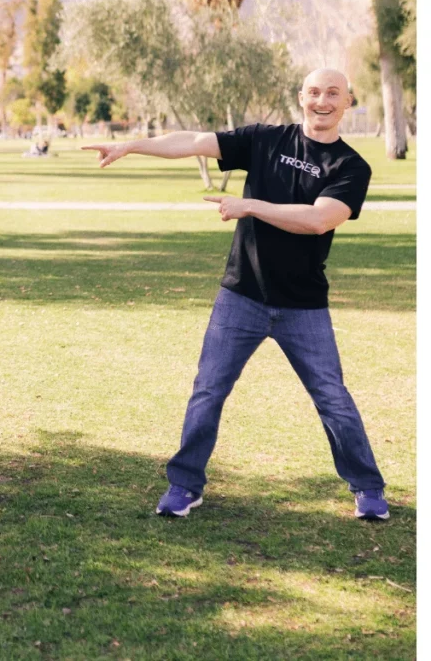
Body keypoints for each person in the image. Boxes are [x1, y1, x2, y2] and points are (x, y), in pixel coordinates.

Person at [83, 68, 389, 521]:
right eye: (313, 92)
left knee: (332, 398)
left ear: (348, 103)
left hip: (302, 304)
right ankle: (184, 485)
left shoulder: (350, 166)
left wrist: (249, 206)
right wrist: (132, 145)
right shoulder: (265, 140)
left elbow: (318, 219)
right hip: (241, 295)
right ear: (301, 97)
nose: (322, 101)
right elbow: (191, 141)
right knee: (207, 391)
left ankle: (368, 488)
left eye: (333, 93)